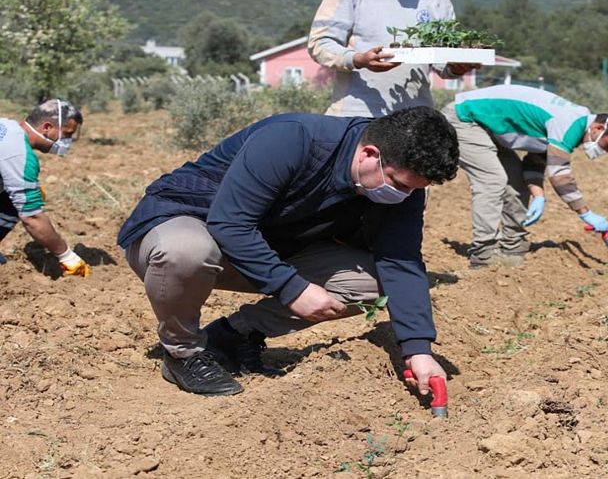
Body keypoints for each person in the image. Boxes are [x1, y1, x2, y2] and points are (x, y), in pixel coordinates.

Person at [117, 106, 459, 396]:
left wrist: (417, 349)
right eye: (397, 184)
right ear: (370, 154)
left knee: (371, 284)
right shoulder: (294, 138)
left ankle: (235, 334)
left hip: (263, 245)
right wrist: (291, 288)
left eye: (413, 190)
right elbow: (230, 223)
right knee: (185, 250)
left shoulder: (402, 190)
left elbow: (400, 261)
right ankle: (183, 353)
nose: (401, 195)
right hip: (188, 224)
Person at [441, 85, 608, 267]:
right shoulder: (570, 122)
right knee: (492, 180)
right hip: (465, 118)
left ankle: (512, 248)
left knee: (517, 184)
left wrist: (539, 196)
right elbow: (559, 173)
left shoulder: (573, 126)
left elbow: (535, 162)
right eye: (606, 146)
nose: (603, 152)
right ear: (598, 128)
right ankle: (483, 255)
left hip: (489, 128)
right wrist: (585, 213)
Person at [307, 0, 477, 117]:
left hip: (417, 116)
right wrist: (357, 59)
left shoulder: (438, 0)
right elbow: (320, 43)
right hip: (358, 114)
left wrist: (456, 66)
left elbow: (442, 63)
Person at [0, 99, 90, 275]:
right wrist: (66, 255)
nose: (67, 141)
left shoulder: (6, 126)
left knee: (16, 197)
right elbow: (32, 218)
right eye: (67, 134)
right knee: (26, 203)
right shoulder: (21, 155)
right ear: (47, 127)